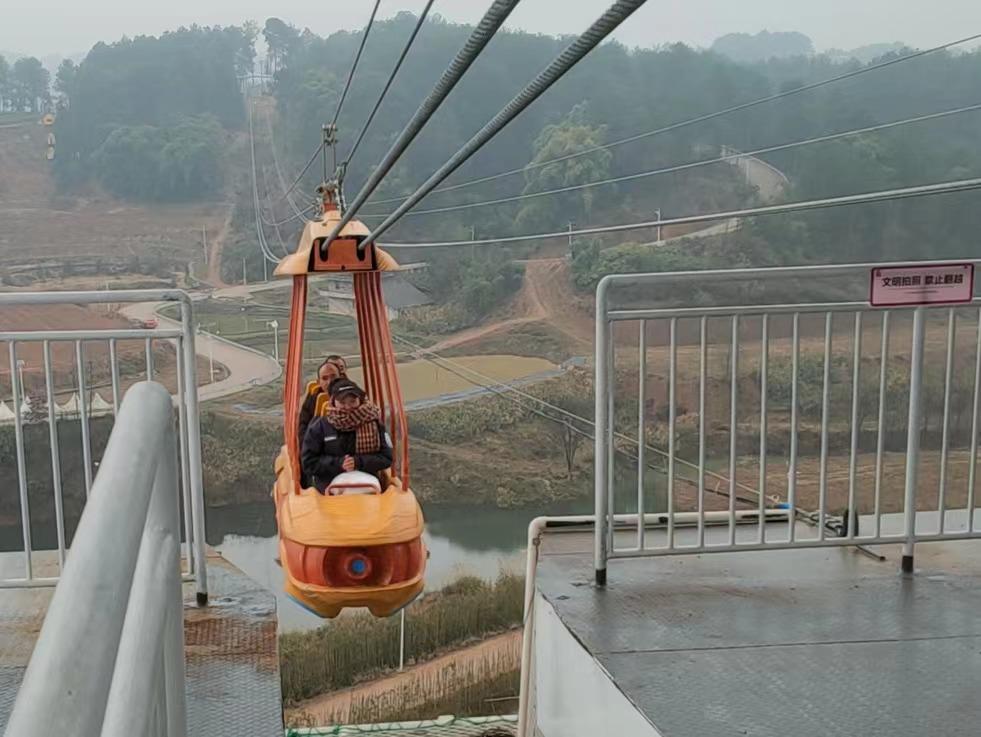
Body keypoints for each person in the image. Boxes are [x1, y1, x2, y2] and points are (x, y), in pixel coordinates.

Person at [301, 378, 392, 493]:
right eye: (342, 403)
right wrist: (339, 463)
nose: (348, 407)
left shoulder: (374, 423)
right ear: (333, 402)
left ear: (360, 400)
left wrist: (358, 462)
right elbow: (308, 462)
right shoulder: (319, 427)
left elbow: (386, 457)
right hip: (329, 487)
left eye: (352, 401)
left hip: (368, 484)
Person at [298, 359, 342, 449]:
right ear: (319, 382)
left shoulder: (354, 398)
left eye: (333, 377)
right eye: (325, 378)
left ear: (341, 377)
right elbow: (303, 429)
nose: (330, 382)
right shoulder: (312, 402)